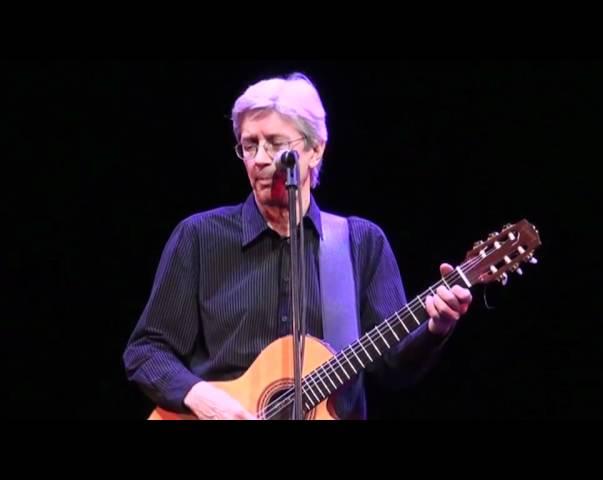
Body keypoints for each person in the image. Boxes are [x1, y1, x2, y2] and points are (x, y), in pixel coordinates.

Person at [123, 72, 473, 420]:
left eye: (275, 144)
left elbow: (395, 370)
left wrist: (435, 329)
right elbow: (146, 350)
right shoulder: (199, 237)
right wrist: (203, 399)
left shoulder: (361, 243)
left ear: (315, 149)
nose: (259, 159)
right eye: (249, 145)